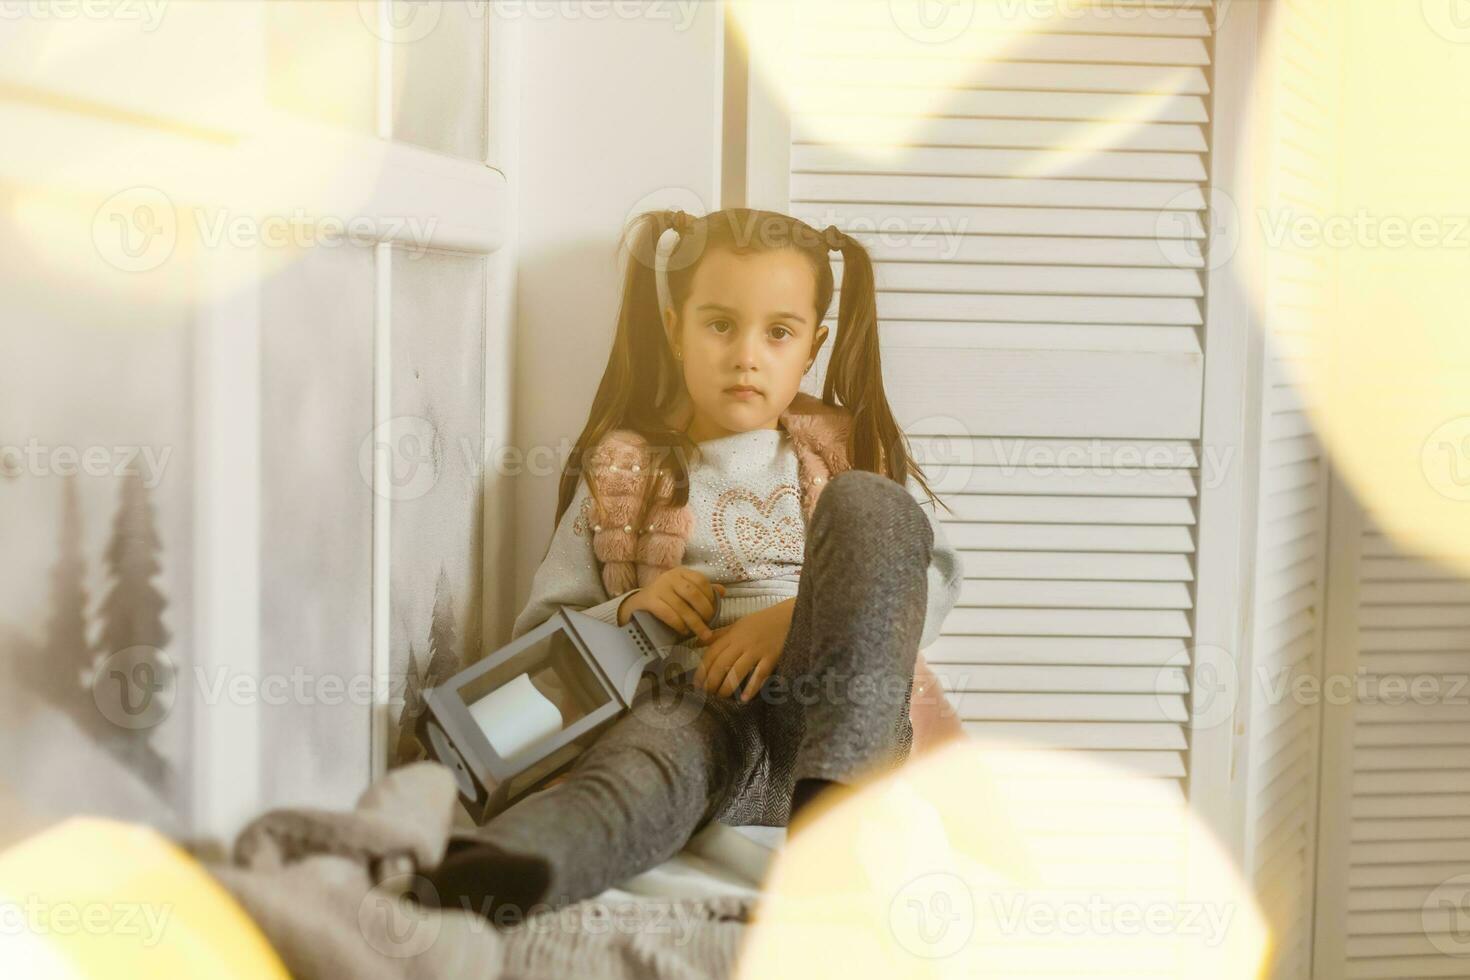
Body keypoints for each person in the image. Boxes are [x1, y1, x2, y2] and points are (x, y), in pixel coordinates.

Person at [423, 208, 965, 925]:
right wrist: (630, 610)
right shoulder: (623, 470)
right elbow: (542, 636)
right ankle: (502, 871)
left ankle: (834, 832)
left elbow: (929, 580)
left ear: (814, 347)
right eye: (719, 325)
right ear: (675, 326)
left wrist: (788, 621)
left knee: (875, 506)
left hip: (827, 719)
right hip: (696, 717)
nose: (746, 355)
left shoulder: (841, 454)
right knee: (637, 769)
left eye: (778, 333)